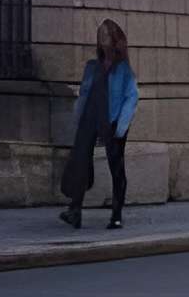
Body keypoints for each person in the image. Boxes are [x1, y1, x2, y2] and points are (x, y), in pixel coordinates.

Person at [59, 18, 139, 229]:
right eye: (100, 34)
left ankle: (117, 215)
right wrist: (78, 117)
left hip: (112, 122)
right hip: (90, 119)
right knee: (80, 162)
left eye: (105, 34)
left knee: (116, 167)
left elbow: (132, 97)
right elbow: (85, 94)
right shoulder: (92, 66)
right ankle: (75, 210)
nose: (101, 37)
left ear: (115, 39)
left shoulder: (123, 69)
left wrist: (121, 126)